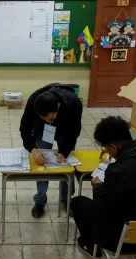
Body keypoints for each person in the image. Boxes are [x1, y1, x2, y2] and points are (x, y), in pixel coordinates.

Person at [70, 116, 136, 258]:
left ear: (113, 147)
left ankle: (90, 245)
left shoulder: (117, 171)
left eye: (106, 148)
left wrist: (98, 187)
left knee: (78, 203)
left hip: (122, 241)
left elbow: (102, 208)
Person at [20, 83, 83, 218]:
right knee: (42, 163)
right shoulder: (34, 101)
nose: (48, 121)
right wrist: (33, 150)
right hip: (42, 132)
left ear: (57, 108)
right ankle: (40, 201)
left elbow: (75, 131)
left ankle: (66, 199)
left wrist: (65, 152)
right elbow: (24, 130)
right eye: (44, 119)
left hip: (65, 130)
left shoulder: (73, 103)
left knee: (66, 164)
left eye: (50, 118)